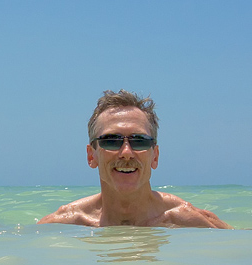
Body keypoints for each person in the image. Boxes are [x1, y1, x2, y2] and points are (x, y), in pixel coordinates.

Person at [39, 90, 232, 228]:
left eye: (139, 141)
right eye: (112, 140)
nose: (126, 152)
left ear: (154, 156)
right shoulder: (62, 225)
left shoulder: (191, 222)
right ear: (92, 156)